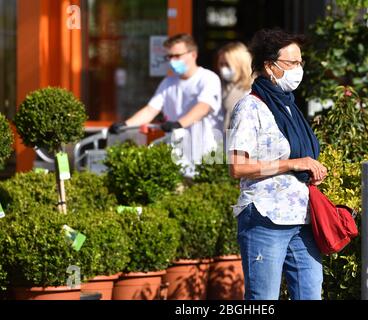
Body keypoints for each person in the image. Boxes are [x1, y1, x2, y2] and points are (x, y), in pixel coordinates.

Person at [227, 28, 328, 300]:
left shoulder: (289, 106)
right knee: (263, 299)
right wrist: (294, 163)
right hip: (265, 217)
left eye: (300, 62)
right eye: (292, 63)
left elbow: (299, 157)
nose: (299, 69)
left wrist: (310, 169)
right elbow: (238, 167)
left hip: (302, 217)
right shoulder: (250, 107)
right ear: (269, 66)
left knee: (310, 295)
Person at [109, 33, 223, 177]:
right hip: (178, 159)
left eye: (177, 56)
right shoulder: (168, 82)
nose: (172, 61)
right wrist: (125, 125)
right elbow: (151, 110)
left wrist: (178, 124)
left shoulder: (208, 79)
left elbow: (203, 108)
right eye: (169, 57)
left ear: (193, 54)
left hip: (206, 156)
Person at [216, 42, 253, 130]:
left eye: (227, 64)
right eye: (221, 64)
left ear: (240, 64)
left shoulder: (252, 89)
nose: (223, 68)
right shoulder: (222, 86)